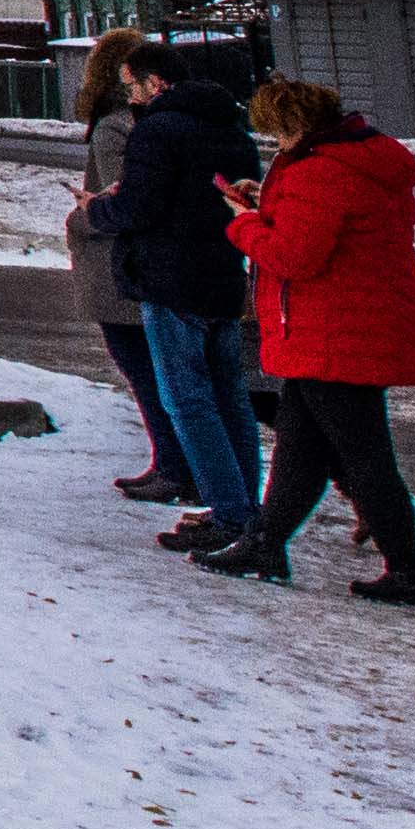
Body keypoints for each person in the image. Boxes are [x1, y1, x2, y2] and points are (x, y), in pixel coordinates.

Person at [220, 73, 415, 605]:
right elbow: (318, 229)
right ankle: (266, 546)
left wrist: (245, 224)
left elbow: (295, 257)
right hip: (354, 326)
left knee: (365, 458)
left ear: (295, 125)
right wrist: (268, 205)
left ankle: (409, 574)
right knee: (300, 447)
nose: (275, 145)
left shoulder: (320, 172)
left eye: (276, 134)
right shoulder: (359, 158)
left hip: (332, 332)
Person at [97, 40, 271, 559]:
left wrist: (99, 211)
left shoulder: (157, 130)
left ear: (155, 83)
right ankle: (246, 508)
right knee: (230, 399)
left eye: (131, 85)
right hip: (222, 275)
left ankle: (229, 512)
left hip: (170, 280)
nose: (130, 95)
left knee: (188, 401)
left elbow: (139, 207)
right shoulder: (230, 128)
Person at [62, 35, 194, 502]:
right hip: (146, 261)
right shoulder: (155, 121)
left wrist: (84, 214)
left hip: (119, 263)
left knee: (143, 367)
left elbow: (125, 195)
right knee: (160, 369)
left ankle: (175, 465)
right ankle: (178, 463)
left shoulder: (114, 127)